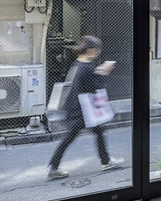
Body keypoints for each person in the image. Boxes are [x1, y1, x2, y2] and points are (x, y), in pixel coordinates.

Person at [47, 35, 124, 180]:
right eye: (97, 50)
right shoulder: (86, 68)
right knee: (73, 137)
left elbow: (86, 83)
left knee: (95, 132)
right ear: (90, 50)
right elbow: (92, 88)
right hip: (82, 111)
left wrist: (98, 72)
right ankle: (53, 167)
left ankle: (105, 161)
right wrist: (104, 73)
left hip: (78, 108)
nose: (98, 53)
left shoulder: (78, 63)